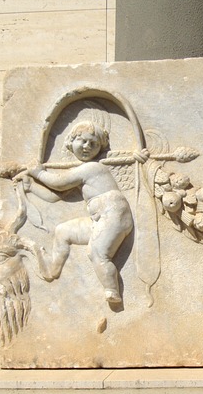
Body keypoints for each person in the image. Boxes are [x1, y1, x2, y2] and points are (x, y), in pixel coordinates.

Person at [22, 120, 146, 304]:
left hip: (114, 215)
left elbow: (59, 183)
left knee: (97, 253)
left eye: (94, 144)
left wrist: (38, 173)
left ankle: (112, 291)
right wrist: (31, 186)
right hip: (100, 220)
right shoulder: (81, 173)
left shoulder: (91, 168)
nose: (87, 146)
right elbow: (56, 196)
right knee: (63, 231)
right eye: (83, 141)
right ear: (71, 141)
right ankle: (52, 269)